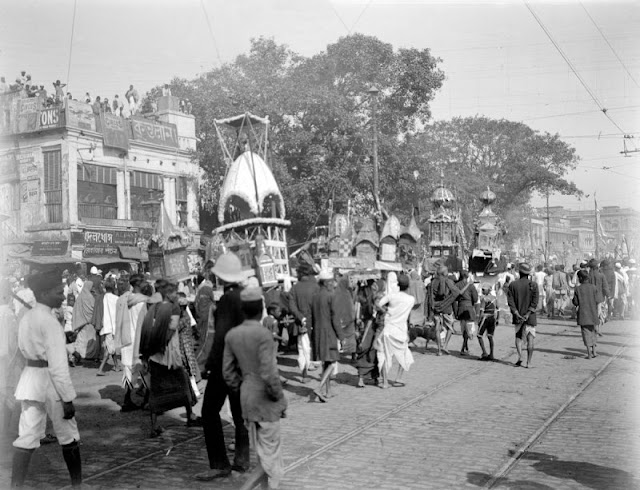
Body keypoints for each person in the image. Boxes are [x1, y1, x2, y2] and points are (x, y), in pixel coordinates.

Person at [11, 271, 83, 488]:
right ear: (44, 293)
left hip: (30, 381)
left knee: (27, 436)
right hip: (51, 383)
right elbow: (58, 367)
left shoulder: (27, 317)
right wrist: (67, 398)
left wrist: (63, 340)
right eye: (58, 292)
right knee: (69, 435)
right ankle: (77, 486)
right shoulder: (50, 322)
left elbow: (29, 347)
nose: (62, 296)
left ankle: (15, 486)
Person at [223, 287, 288, 490]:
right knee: (271, 462)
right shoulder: (264, 335)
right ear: (261, 310)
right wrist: (279, 398)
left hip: (247, 398)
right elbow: (269, 373)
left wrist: (243, 390)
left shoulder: (232, 335)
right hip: (266, 401)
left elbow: (228, 373)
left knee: (262, 456)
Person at [197, 253, 250, 481]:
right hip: (243, 365)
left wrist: (210, 363)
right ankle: (242, 460)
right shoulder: (247, 297)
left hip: (224, 365)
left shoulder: (227, 301)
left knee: (209, 412)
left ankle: (219, 464)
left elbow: (221, 338)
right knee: (240, 415)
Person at [139, 280, 198, 437]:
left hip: (159, 357)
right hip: (166, 356)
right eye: (172, 292)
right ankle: (189, 416)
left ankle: (156, 425)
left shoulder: (154, 307)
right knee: (181, 386)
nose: (175, 295)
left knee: (161, 391)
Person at [115, 274, 149, 411]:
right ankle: (147, 400)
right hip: (138, 340)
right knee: (145, 369)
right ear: (138, 285)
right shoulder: (143, 302)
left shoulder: (123, 299)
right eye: (143, 283)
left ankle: (127, 399)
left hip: (127, 339)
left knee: (128, 370)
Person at [376, 273, 415, 389]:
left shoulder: (391, 296)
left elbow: (378, 304)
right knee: (404, 354)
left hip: (388, 329)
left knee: (385, 354)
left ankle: (385, 381)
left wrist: (385, 311)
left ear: (398, 284)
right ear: (408, 285)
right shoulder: (411, 299)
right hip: (401, 330)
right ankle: (398, 377)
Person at [310, 269, 344, 402]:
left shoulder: (315, 296)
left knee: (326, 361)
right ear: (326, 283)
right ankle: (319, 387)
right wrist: (341, 336)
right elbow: (335, 319)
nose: (332, 284)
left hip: (317, 331)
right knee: (332, 360)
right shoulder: (331, 296)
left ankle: (328, 391)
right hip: (328, 332)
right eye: (331, 281)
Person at [1, 279, 23, 457]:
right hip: (8, 358)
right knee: (10, 393)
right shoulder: (8, 314)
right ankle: (8, 429)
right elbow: (13, 341)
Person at [288, 262, 319, 383]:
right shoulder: (316, 287)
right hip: (316, 321)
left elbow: (292, 307)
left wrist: (301, 317)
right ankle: (325, 376)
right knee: (317, 345)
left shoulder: (294, 288)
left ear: (300, 274)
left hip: (301, 323)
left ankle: (304, 375)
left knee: (302, 348)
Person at [507, 263, 538, 368]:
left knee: (518, 337)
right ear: (528, 273)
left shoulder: (513, 285)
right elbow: (535, 302)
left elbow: (510, 301)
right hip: (530, 316)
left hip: (518, 315)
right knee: (530, 338)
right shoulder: (533, 285)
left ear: (519, 272)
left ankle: (520, 356)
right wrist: (528, 313)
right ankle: (529, 362)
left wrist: (516, 312)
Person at [355, 279, 383, 388]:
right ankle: (370, 378)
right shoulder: (372, 297)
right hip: (370, 326)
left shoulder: (361, 296)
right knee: (370, 351)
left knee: (367, 350)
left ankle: (366, 377)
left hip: (367, 326)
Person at [428, 265, 462, 355]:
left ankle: (439, 350)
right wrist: (448, 301)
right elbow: (456, 292)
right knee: (450, 327)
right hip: (447, 309)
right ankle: (445, 346)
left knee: (437, 329)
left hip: (436, 308)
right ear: (444, 273)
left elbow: (430, 298)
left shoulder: (432, 283)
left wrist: (431, 309)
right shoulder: (449, 282)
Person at [572, 270, 599, 359]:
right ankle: (594, 351)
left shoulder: (578, 289)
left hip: (583, 314)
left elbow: (576, 302)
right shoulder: (593, 287)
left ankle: (589, 354)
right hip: (593, 312)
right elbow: (597, 300)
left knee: (585, 333)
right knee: (593, 332)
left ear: (580, 278)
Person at [97, 279, 119, 376]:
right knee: (109, 349)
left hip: (105, 326)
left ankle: (116, 366)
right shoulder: (116, 299)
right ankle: (100, 369)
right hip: (112, 326)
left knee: (111, 346)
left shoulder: (103, 297)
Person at [455, 270, 478, 356]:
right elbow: (475, 299)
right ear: (467, 276)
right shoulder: (471, 286)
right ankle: (464, 347)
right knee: (469, 329)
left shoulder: (457, 285)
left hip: (460, 308)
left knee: (464, 328)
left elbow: (455, 297)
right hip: (469, 308)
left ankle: (465, 347)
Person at [587, 258, 610, 336]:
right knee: (599, 313)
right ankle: (598, 329)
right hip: (599, 298)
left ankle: (593, 329)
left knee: (592, 313)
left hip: (589, 298)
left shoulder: (588, 275)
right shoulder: (601, 275)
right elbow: (605, 287)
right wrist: (608, 295)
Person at [477, 283, 497, 361]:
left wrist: (479, 320)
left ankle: (484, 352)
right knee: (490, 336)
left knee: (479, 335)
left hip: (485, 318)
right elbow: (497, 309)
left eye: (483, 289)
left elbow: (482, 311)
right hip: (493, 318)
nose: (482, 291)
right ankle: (491, 354)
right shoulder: (494, 298)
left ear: (488, 290)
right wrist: (497, 319)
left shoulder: (484, 299)